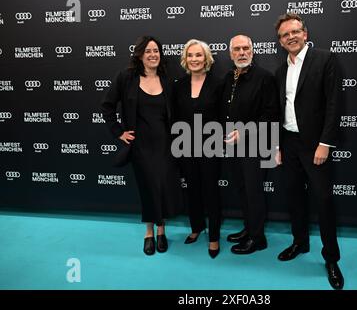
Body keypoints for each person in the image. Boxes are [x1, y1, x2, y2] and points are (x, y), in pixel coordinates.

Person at [274, 13, 344, 289]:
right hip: (288, 144)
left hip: (315, 145)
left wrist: (325, 143)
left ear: (305, 33)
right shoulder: (281, 71)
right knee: (293, 198)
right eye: (284, 34)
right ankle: (300, 243)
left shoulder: (325, 59)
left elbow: (333, 104)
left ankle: (331, 259)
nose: (290, 37)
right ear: (280, 41)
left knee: (324, 201)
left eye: (295, 31)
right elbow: (278, 111)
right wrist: (276, 145)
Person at [100, 36, 183, 256]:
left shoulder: (166, 79)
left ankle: (162, 230)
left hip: (166, 144)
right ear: (140, 55)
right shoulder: (126, 78)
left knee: (163, 186)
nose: (153, 54)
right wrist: (118, 132)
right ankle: (149, 232)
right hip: (140, 145)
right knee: (148, 187)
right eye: (148, 51)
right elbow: (107, 106)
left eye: (156, 50)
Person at [221, 35, 279, 254]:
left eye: (246, 48)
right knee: (243, 190)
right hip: (232, 146)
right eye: (237, 49)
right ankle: (249, 228)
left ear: (253, 51)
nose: (242, 52)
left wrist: (244, 131)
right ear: (231, 53)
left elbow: (271, 114)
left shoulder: (264, 78)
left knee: (254, 192)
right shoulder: (229, 77)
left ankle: (258, 238)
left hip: (255, 145)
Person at [173, 39, 222, 259]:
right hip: (185, 146)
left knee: (211, 192)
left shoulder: (218, 84)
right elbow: (174, 117)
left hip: (211, 146)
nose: (194, 59)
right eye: (190, 55)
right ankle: (196, 227)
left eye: (198, 55)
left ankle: (213, 236)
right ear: (185, 59)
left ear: (206, 59)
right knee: (192, 189)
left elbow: (223, 117)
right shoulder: (178, 86)